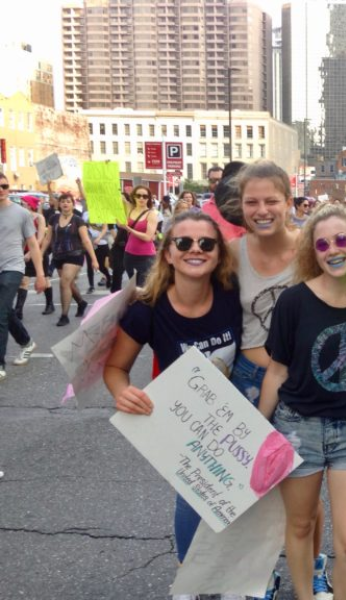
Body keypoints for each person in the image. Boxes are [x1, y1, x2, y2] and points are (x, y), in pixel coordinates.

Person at [103, 211, 242, 595]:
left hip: (237, 417)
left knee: (239, 500)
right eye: (183, 242)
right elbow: (115, 367)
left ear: (218, 254)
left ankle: (234, 580)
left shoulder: (233, 297)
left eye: (206, 243)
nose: (195, 249)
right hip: (184, 419)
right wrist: (121, 392)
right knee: (193, 496)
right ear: (167, 253)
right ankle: (187, 580)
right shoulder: (147, 309)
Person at [227, 160, 331, 599]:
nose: (262, 209)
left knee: (302, 485)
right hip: (246, 376)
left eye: (272, 200)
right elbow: (181, 275)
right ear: (241, 206)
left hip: (301, 378)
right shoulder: (231, 253)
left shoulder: (312, 250)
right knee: (256, 485)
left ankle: (315, 567)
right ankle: (263, 572)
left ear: (290, 202)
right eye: (252, 202)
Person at [260, 204, 346, 600]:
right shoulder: (293, 302)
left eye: (342, 239)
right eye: (322, 243)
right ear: (313, 250)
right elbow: (277, 371)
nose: (333, 249)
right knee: (301, 527)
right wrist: (261, 428)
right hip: (297, 427)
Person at [0, 172, 46, 381]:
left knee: (0, 313)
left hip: (13, 267)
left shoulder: (21, 213)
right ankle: (26, 342)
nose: (1, 189)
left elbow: (34, 244)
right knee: (5, 310)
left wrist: (40, 275)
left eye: (4, 185)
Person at [40, 193, 99, 326]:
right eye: (63, 202)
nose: (65, 204)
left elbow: (86, 241)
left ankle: (64, 315)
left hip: (75, 255)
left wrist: (94, 260)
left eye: (68, 201)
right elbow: (48, 238)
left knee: (64, 283)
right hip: (58, 256)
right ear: (59, 204)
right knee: (69, 284)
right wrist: (40, 253)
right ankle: (81, 302)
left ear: (73, 204)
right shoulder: (53, 218)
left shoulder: (78, 220)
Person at [16, 196, 53, 319]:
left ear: (29, 204)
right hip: (24, 253)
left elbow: (40, 237)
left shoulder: (39, 217)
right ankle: (18, 310)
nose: (21, 205)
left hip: (38, 252)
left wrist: (30, 253)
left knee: (45, 278)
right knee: (24, 280)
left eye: (23, 203)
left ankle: (49, 304)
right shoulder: (21, 217)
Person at [121, 186, 158, 286]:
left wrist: (128, 229)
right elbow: (117, 201)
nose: (141, 198)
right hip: (129, 254)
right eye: (138, 196)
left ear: (149, 198)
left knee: (143, 287)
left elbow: (148, 237)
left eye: (145, 196)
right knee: (134, 286)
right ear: (134, 197)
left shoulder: (152, 214)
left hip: (146, 256)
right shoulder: (130, 208)